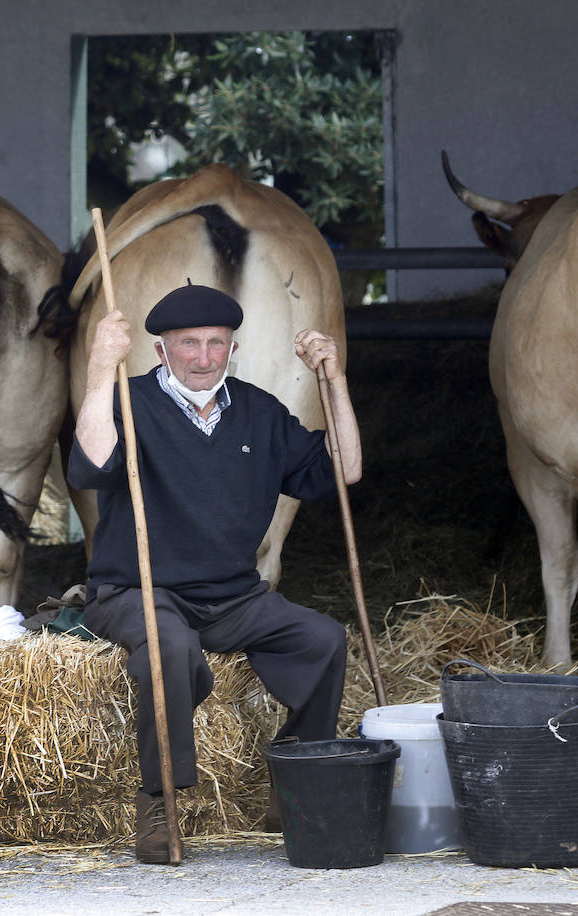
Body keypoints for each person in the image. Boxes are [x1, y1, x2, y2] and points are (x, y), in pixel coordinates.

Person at [67, 283, 363, 865]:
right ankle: (160, 800)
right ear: (161, 352)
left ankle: (295, 772)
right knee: (168, 647)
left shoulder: (259, 412)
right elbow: (90, 465)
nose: (203, 357)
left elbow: (344, 469)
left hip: (232, 597)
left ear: (232, 348)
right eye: (188, 344)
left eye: (216, 344)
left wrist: (335, 380)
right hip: (136, 589)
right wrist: (102, 365)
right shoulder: (129, 403)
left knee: (322, 638)